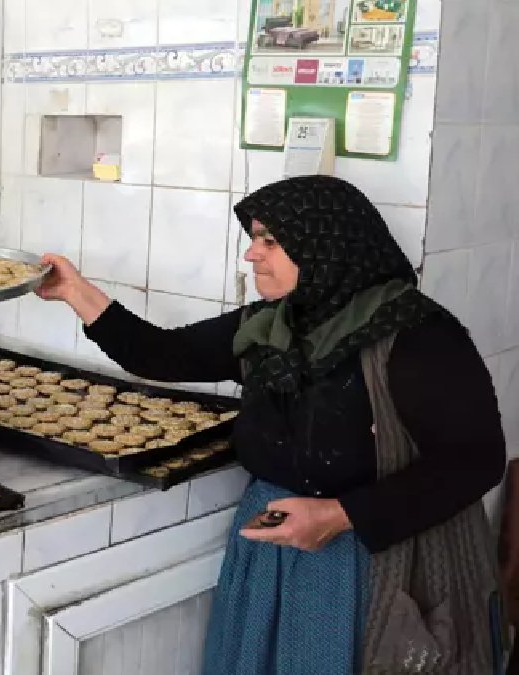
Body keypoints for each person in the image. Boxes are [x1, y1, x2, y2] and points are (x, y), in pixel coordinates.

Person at [36, 175, 505, 674]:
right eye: (254, 239)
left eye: (271, 241)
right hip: (272, 552)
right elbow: (164, 353)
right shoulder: (273, 325)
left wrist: (339, 516)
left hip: (368, 564)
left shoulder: (416, 338)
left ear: (326, 246)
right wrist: (74, 291)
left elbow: (474, 462)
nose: (252, 255)